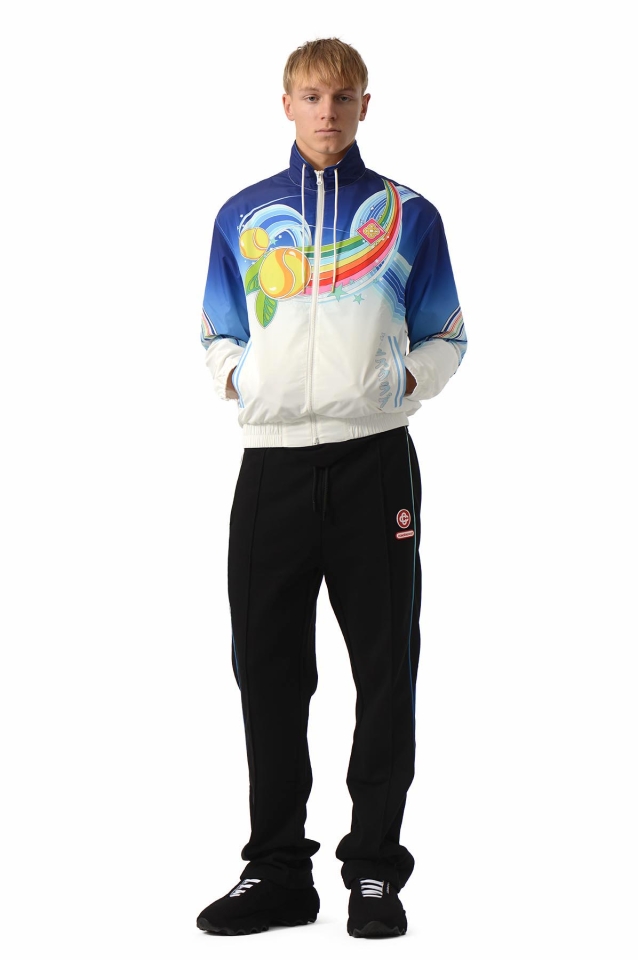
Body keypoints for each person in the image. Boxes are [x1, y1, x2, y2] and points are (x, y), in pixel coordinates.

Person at [196, 37, 467, 939]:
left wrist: (399, 382)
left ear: (364, 106)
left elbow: (448, 335)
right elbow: (217, 331)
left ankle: (375, 870)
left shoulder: (408, 215)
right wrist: (240, 380)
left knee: (385, 670)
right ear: (287, 104)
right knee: (266, 671)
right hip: (270, 467)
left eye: (343, 97)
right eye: (312, 96)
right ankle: (277, 870)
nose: (327, 112)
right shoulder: (242, 216)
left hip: (373, 464)